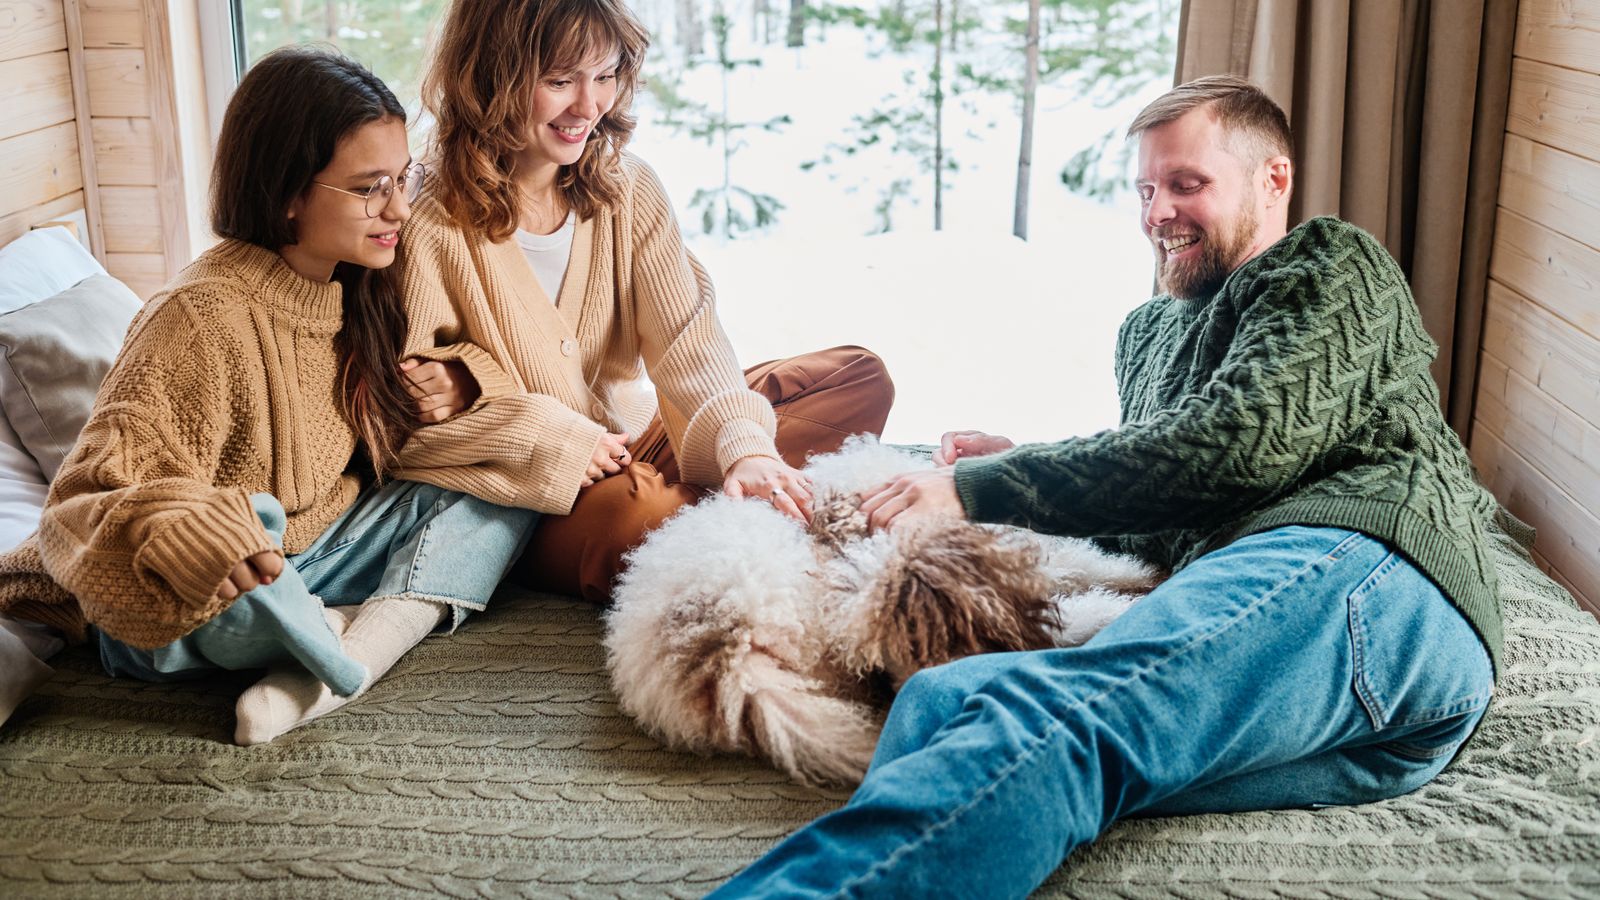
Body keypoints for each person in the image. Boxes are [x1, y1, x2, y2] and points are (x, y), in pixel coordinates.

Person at [710, 75, 1503, 898]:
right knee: (946, 706)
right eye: (1146, 190)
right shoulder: (1150, 331)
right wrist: (1024, 456)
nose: (1158, 212)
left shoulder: (1328, 263)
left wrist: (989, 485)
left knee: (1054, 722)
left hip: (1374, 577)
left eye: (1187, 184)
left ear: (1274, 180)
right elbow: (1157, 504)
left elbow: (1234, 445)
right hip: (1359, 728)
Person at [0, 47, 537, 746]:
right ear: (288, 191)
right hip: (198, 600)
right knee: (248, 523)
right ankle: (312, 632)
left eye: (404, 179)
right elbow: (81, 500)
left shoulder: (359, 285)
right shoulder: (197, 318)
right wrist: (202, 536)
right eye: (371, 187)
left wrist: (467, 381)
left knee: (507, 480)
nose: (400, 208)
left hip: (316, 559)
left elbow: (453, 384)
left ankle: (345, 653)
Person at [384, 0, 895, 603]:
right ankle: (740, 527)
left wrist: (746, 452)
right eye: (558, 80)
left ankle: (733, 502)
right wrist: (533, 426)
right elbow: (396, 426)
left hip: (632, 439)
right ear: (489, 77)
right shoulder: (423, 220)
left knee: (858, 376)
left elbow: (689, 343)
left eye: (604, 76)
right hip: (530, 490)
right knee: (637, 510)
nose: (588, 106)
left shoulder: (628, 188)